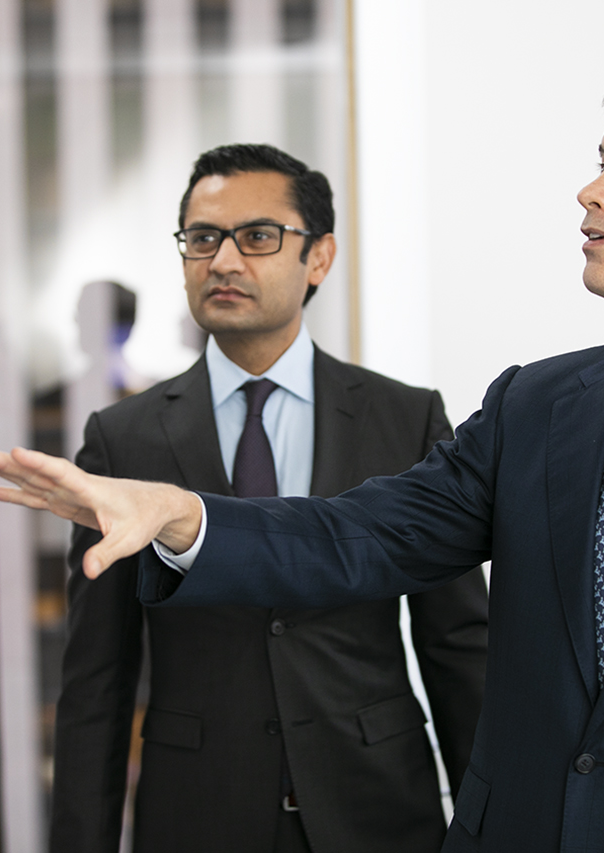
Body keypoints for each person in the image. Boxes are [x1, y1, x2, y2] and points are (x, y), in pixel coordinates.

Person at [0, 53, 604, 851]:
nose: (589, 188)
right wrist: (185, 516)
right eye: (600, 158)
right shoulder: (537, 402)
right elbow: (360, 536)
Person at [47, 143, 489, 853]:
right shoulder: (122, 439)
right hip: (200, 809)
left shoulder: (403, 418)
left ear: (319, 258)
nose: (223, 261)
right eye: (202, 238)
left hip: (376, 804)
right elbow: (96, 679)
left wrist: (494, 828)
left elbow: (460, 645)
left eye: (257, 237)